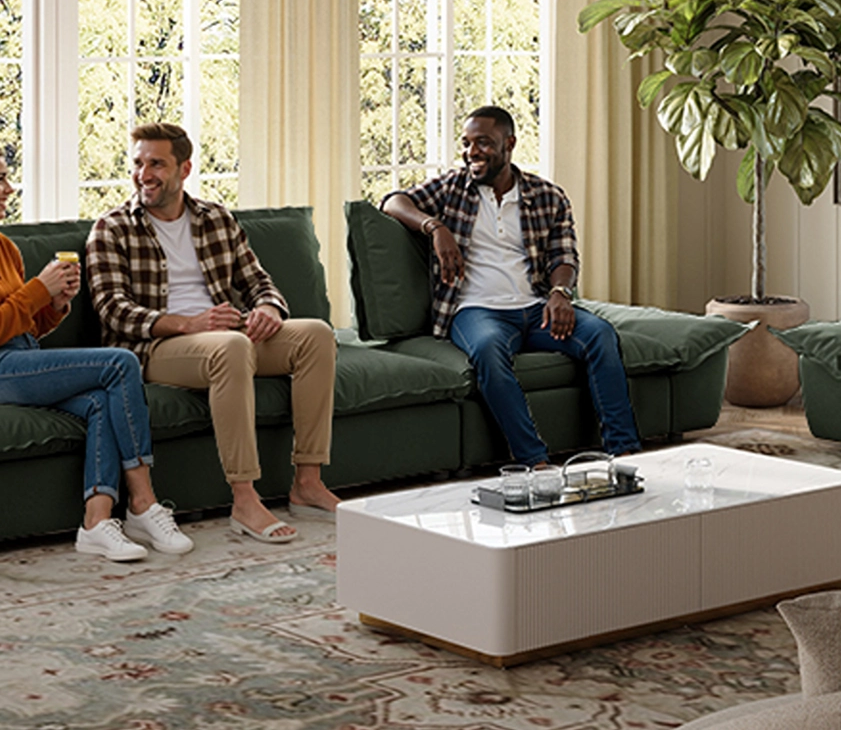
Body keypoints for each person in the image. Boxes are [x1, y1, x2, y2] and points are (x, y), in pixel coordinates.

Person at [0, 139, 191, 562]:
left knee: (100, 402)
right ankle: (144, 501)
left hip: (14, 358)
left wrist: (55, 304)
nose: (9, 188)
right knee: (120, 363)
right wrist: (38, 290)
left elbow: (26, 327)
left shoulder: (2, 247)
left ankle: (96, 522)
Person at [86, 123, 340, 545]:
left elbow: (259, 281)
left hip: (226, 336)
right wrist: (189, 323)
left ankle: (307, 482)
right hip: (158, 346)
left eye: (156, 164)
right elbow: (113, 311)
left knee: (315, 335)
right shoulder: (112, 228)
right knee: (233, 347)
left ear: (184, 169)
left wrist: (266, 309)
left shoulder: (215, 218)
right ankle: (244, 500)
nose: (143, 174)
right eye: (137, 163)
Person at [381, 105, 641, 466]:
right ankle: (534, 461)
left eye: (483, 143)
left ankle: (625, 452)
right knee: (488, 350)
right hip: (475, 311)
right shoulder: (453, 187)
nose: (472, 152)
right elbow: (394, 201)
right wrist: (435, 228)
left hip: (536, 309)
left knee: (600, 334)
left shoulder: (548, 196)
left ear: (509, 144)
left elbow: (564, 257)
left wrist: (560, 294)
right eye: (467, 143)